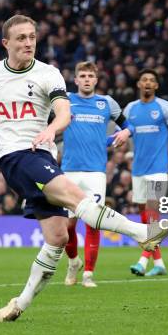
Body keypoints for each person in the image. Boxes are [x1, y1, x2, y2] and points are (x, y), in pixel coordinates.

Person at [0, 15, 168, 322]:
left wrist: (52, 129)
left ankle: (18, 304)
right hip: (16, 156)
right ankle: (145, 233)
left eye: (32, 37)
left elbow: (64, 113)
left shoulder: (48, 73)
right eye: (21, 38)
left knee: (57, 238)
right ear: (6, 43)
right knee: (76, 196)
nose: (28, 43)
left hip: (43, 154)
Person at [61, 61, 133, 288]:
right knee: (66, 227)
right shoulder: (65, 101)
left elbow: (127, 124)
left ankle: (89, 275)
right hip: (69, 171)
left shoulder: (106, 103)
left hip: (95, 173)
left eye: (90, 76)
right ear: (75, 80)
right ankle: (74, 262)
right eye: (82, 76)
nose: (86, 80)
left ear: (96, 80)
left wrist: (125, 132)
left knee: (94, 223)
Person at [123, 69, 168, 277]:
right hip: (138, 170)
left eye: (152, 80)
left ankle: (143, 261)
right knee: (146, 219)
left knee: (152, 215)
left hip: (158, 169)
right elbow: (121, 134)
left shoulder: (164, 107)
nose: (148, 83)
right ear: (138, 84)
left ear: (156, 86)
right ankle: (159, 263)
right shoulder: (130, 110)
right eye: (144, 80)